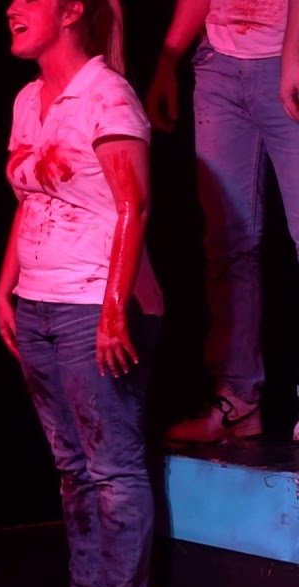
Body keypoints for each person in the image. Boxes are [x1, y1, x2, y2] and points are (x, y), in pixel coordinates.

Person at [0, 0, 163, 587]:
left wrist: (113, 309)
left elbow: (133, 205)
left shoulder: (107, 95)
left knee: (110, 464)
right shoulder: (27, 100)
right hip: (39, 301)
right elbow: (31, 199)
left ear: (69, 12)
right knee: (71, 465)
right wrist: (6, 284)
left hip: (93, 302)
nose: (12, 8)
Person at [147, 0, 299, 444]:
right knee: (228, 241)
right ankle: (238, 398)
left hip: (285, 57)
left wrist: (294, 56)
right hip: (219, 66)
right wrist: (168, 59)